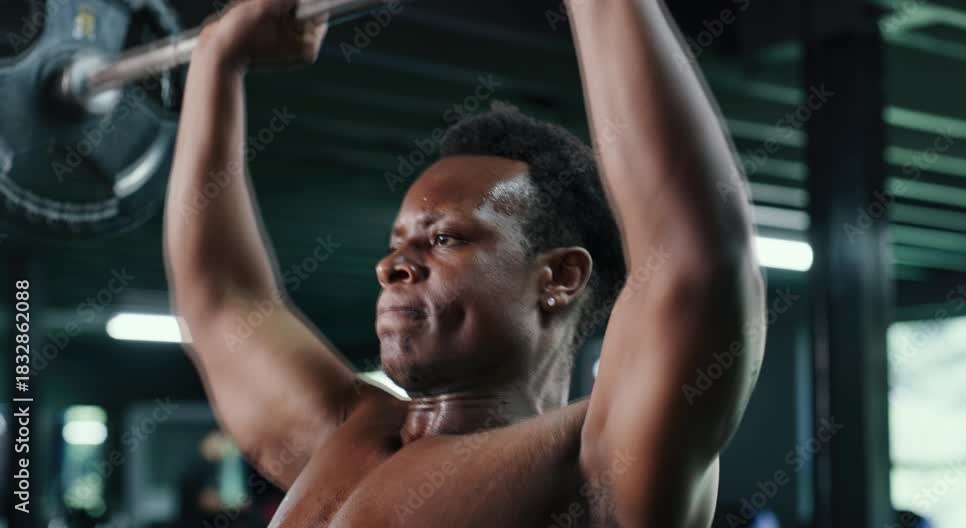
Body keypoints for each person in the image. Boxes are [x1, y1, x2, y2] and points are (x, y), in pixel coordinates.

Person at [163, 0, 766, 525]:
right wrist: (217, 61)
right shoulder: (343, 432)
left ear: (560, 277)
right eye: (396, 243)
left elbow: (694, 260)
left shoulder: (598, 462)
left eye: (444, 238)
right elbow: (221, 302)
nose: (393, 266)